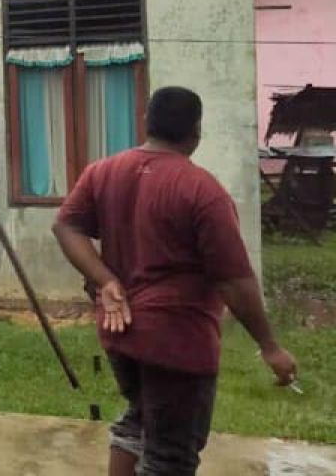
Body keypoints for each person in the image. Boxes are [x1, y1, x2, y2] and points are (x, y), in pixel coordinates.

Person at [53, 86, 298, 476]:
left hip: (121, 333)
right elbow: (235, 282)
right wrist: (270, 346)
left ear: (147, 122)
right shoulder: (202, 191)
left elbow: (66, 225)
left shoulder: (103, 172)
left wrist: (105, 280)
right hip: (177, 344)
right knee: (171, 456)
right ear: (196, 132)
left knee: (138, 421)